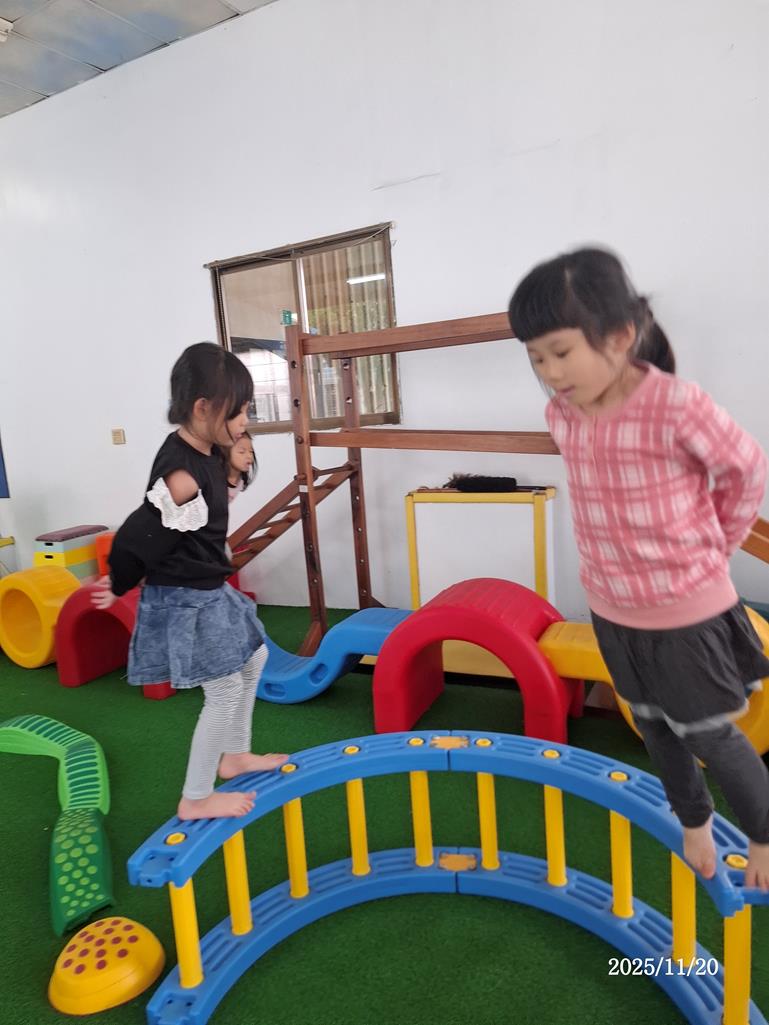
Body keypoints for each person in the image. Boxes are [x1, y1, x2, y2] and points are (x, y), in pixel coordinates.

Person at [508, 247, 769, 889]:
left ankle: (764, 835)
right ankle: (694, 818)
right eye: (536, 358)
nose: (550, 372)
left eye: (561, 352)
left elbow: (746, 470)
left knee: (706, 732)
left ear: (620, 336)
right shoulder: (561, 414)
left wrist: (717, 545)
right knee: (651, 722)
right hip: (611, 606)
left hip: (684, 610)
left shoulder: (674, 405)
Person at [92, 342, 287, 820]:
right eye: (238, 412)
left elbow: (214, 504)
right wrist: (118, 581)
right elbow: (140, 532)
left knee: (256, 656)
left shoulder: (207, 450)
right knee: (223, 692)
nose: (244, 422)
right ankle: (195, 798)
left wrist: (237, 470)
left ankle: (235, 757)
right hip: (185, 598)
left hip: (208, 587)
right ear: (203, 408)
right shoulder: (180, 475)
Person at [226, 433, 256, 503]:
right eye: (242, 452)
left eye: (251, 451)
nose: (249, 456)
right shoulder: (214, 478)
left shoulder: (240, 481)